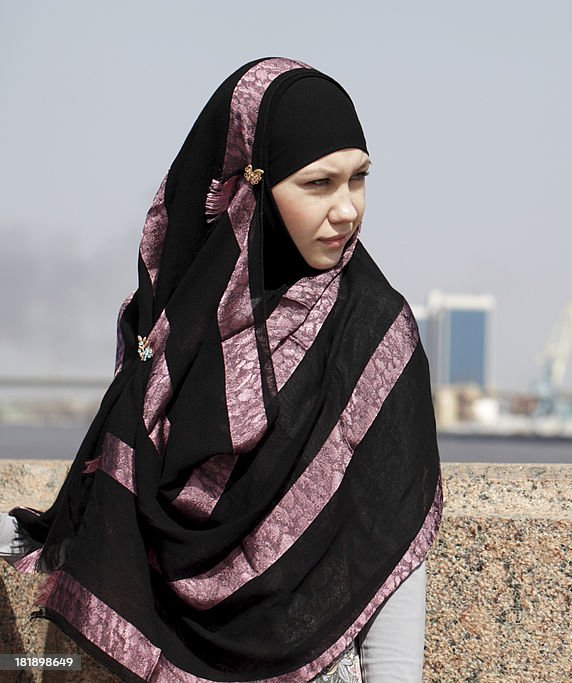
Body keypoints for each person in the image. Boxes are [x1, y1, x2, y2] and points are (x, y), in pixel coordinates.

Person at [0, 57, 444, 682]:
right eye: (319, 184)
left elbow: (390, 542)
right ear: (250, 187)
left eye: (359, 179)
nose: (347, 210)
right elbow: (111, 499)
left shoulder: (373, 338)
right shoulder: (177, 339)